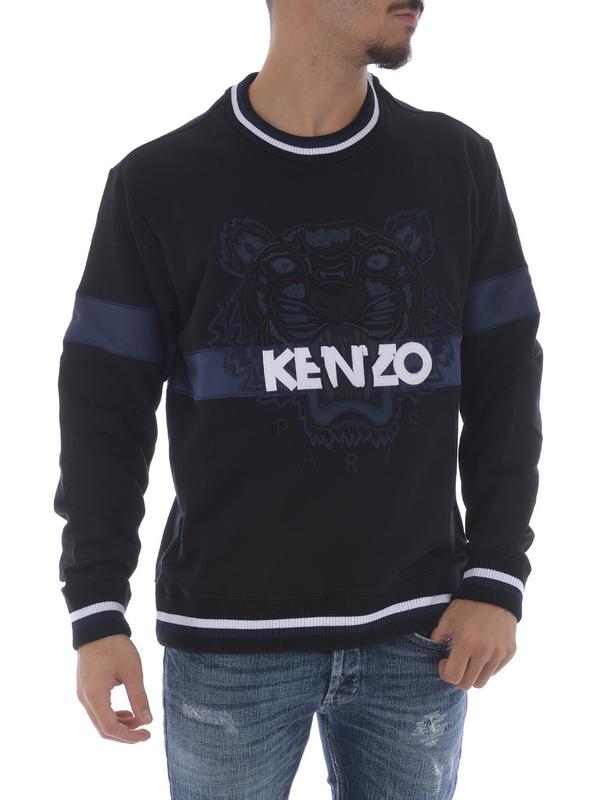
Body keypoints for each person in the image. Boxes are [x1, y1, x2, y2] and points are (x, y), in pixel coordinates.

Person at [53, 1, 543, 797]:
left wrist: (497, 576)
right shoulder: (158, 184)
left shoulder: (456, 165)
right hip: (227, 642)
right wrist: (97, 610)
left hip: (421, 633)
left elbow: (507, 383)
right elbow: (102, 411)